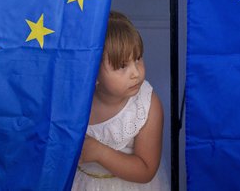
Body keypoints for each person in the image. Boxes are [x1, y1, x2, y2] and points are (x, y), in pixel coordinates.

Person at [72, 11, 169, 191]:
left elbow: (146, 170)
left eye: (138, 59)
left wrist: (99, 152)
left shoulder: (147, 105)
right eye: (122, 66)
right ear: (93, 72)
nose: (136, 73)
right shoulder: (73, 102)